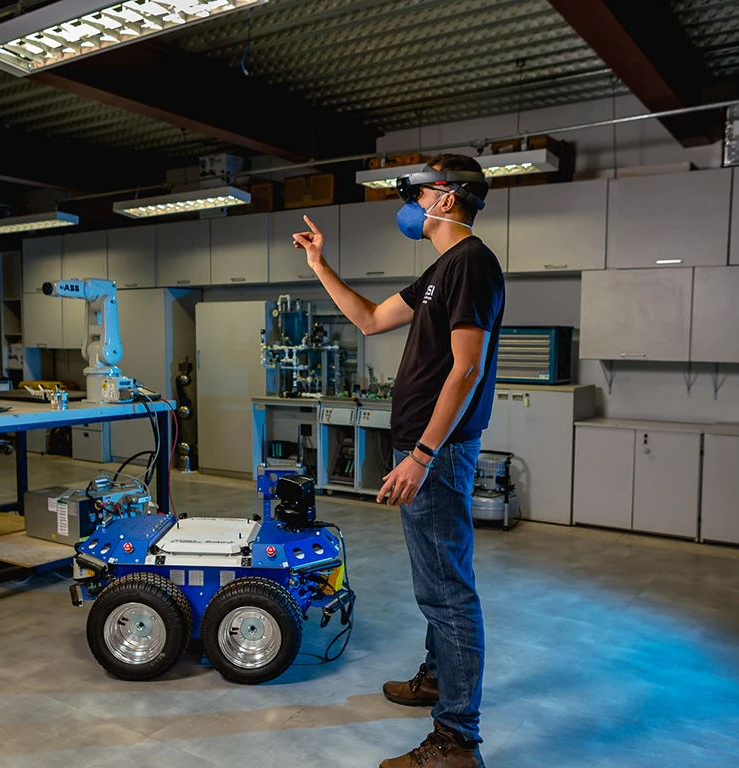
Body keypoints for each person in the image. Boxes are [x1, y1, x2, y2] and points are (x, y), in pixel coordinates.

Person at [293, 154, 504, 768]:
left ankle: (456, 742)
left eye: (414, 194)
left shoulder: (470, 263)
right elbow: (368, 319)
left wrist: (422, 453)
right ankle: (439, 680)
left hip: (436, 454)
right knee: (438, 585)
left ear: (445, 198)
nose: (407, 206)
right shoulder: (442, 270)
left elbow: (466, 368)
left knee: (448, 593)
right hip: (426, 450)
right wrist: (319, 263)